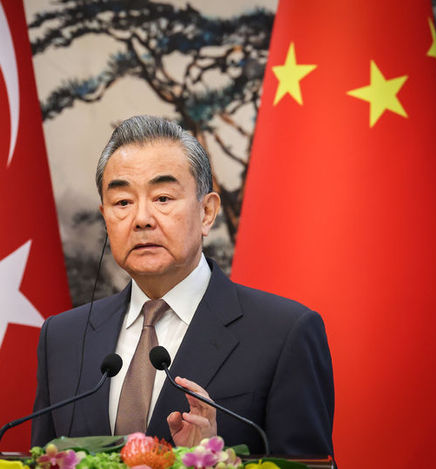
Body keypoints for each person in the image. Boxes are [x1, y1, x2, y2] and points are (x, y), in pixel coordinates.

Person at [31, 115, 334, 456]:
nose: (142, 219)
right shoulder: (63, 338)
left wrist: (215, 461)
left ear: (207, 212)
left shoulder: (284, 334)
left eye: (162, 198)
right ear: (106, 217)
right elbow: (45, 458)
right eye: (123, 202)